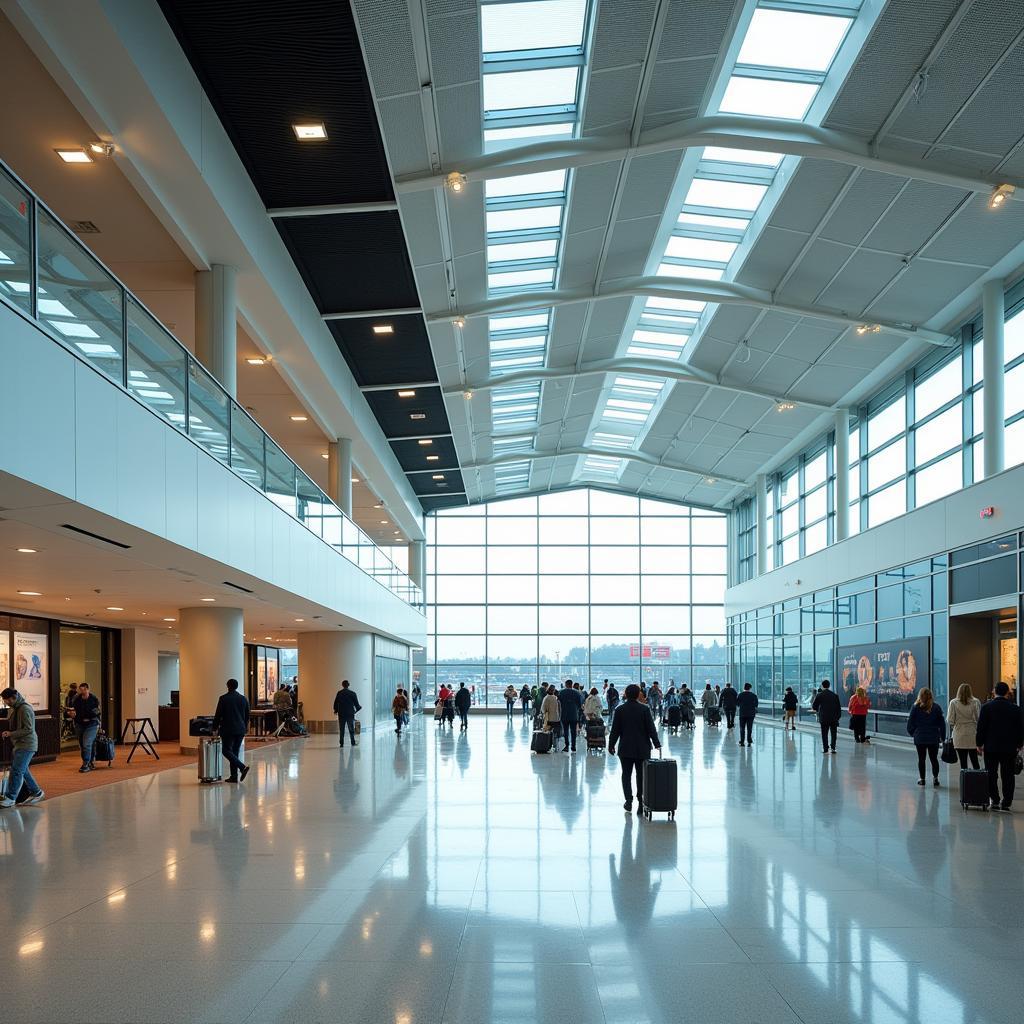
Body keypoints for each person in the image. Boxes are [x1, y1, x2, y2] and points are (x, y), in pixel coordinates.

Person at [608, 683, 662, 814]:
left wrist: (611, 744)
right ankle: (640, 801)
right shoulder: (644, 709)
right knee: (641, 775)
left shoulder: (620, 710)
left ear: (625, 694)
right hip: (642, 748)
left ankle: (628, 800)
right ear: (639, 694)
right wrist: (656, 743)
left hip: (625, 748)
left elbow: (615, 730)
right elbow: (651, 728)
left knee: (626, 774)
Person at [975, 681, 1024, 810]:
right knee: (1008, 774)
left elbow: (981, 728)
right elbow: (1020, 728)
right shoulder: (1015, 709)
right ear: (1008, 693)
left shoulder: (986, 707)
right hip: (1009, 747)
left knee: (991, 773)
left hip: (991, 747)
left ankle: (995, 799)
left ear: (994, 692)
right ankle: (1007, 801)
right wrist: (1020, 744)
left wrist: (979, 744)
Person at [0, 688, 45, 807]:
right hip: (20, 744)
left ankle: (11, 797)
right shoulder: (15, 709)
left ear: (13, 698)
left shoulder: (24, 709)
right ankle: (37, 792)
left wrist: (11, 734)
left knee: (16, 771)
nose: (6, 703)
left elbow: (28, 729)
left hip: (26, 745)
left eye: (7, 701)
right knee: (23, 770)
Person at [212, 678, 250, 783]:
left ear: (227, 686)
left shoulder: (223, 698)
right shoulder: (243, 699)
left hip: (228, 729)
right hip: (240, 729)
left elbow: (218, 715)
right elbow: (247, 715)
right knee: (234, 752)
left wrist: (214, 728)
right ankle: (234, 776)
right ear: (237, 686)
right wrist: (245, 726)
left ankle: (242, 767)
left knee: (226, 750)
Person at [907, 687, 945, 787]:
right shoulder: (936, 707)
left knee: (921, 759)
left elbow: (910, 724)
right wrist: (943, 737)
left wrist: (914, 734)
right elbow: (942, 724)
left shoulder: (915, 707)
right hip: (933, 737)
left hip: (920, 737)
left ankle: (922, 779)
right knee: (934, 759)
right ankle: (935, 779)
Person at [67, 681, 102, 773]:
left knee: (87, 743)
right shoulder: (76, 699)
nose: (82, 692)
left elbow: (97, 712)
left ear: (88, 689)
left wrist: (88, 717)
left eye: (84, 690)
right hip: (79, 723)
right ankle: (91, 762)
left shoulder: (94, 699)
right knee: (83, 745)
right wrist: (71, 714)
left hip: (92, 724)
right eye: (81, 690)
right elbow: (72, 709)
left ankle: (85, 763)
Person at [947, 683, 981, 770]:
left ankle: (965, 781)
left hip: (959, 733)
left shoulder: (953, 702)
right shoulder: (976, 702)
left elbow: (950, 720)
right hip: (972, 733)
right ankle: (978, 780)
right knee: (975, 760)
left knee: (963, 762)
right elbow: (979, 719)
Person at [811, 679, 841, 754]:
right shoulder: (835, 695)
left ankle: (825, 749)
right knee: (834, 733)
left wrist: (819, 709)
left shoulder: (819, 695)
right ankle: (833, 748)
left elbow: (814, 706)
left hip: (824, 718)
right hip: (834, 718)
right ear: (829, 686)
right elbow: (838, 707)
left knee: (824, 733)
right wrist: (837, 717)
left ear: (822, 686)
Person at [333, 679, 362, 747]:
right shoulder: (353, 693)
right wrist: (357, 708)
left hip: (341, 714)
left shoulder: (339, 693)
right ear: (348, 685)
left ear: (342, 685)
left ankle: (341, 743)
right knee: (351, 728)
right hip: (350, 714)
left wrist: (336, 710)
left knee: (341, 729)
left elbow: (335, 703)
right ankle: (352, 742)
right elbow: (357, 705)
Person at [557, 678, 583, 753]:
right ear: (572, 684)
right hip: (574, 715)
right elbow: (579, 704)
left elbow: (559, 703)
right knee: (573, 731)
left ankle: (567, 745)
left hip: (564, 714)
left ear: (566, 684)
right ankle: (573, 747)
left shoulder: (561, 692)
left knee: (565, 731)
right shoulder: (577, 693)